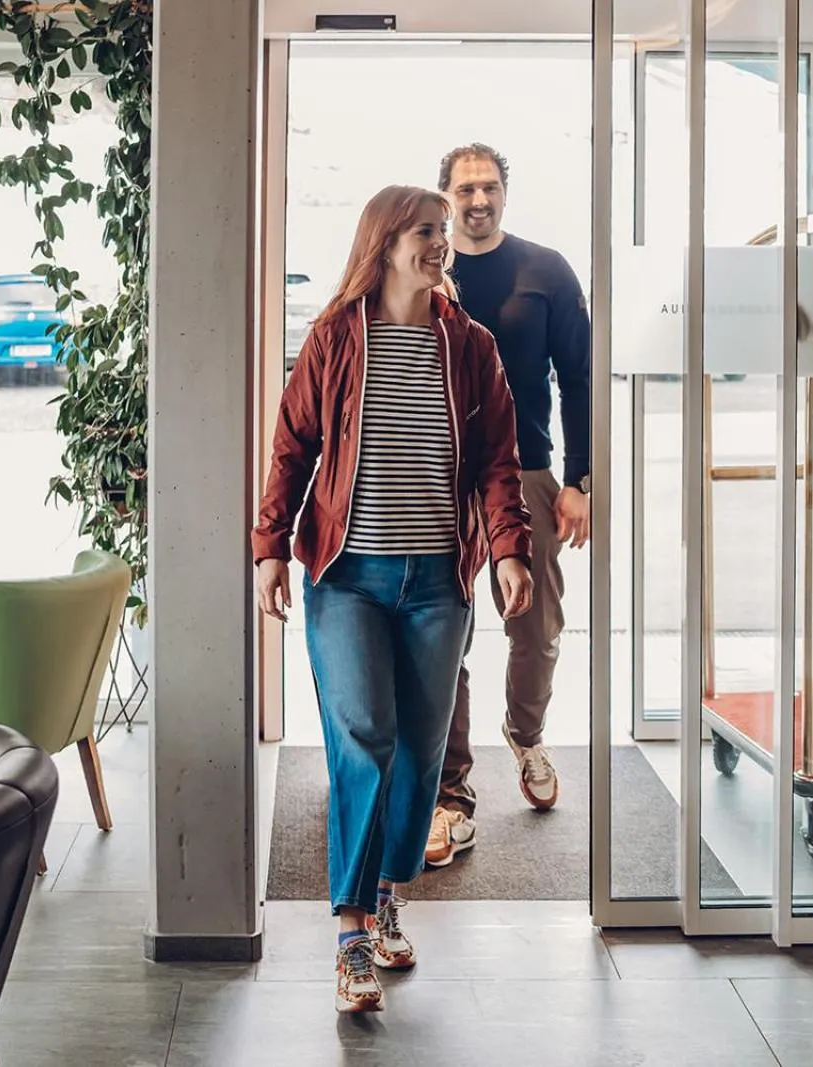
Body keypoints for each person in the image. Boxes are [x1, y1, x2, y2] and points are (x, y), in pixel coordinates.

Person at [252, 184, 534, 1013]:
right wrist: (270, 547)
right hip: (346, 576)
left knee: (418, 752)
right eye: (424, 231)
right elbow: (292, 445)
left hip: (437, 584)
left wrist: (510, 549)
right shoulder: (338, 336)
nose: (440, 243)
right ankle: (347, 934)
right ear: (383, 242)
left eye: (442, 231)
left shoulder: (468, 345)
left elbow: (497, 458)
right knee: (363, 738)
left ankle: (382, 895)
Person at [426, 143, 592, 868]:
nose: (478, 199)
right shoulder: (426, 269)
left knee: (537, 625)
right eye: (465, 188)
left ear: (505, 192)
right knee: (446, 633)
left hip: (526, 473)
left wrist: (580, 480)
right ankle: (449, 783)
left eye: (489, 186)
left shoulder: (545, 270)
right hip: (444, 477)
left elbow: (580, 377)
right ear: (446, 196)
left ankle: (525, 735)